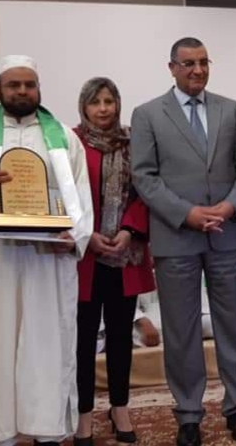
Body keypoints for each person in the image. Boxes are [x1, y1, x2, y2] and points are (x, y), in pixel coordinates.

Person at [0, 54, 93, 445]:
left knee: (47, 345)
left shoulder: (63, 138)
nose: (23, 91)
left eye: (30, 84)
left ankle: (47, 432)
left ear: (38, 88)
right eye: (14, 85)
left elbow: (81, 195)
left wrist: (76, 236)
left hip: (48, 262)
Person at [130, 37, 236, 446]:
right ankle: (188, 415)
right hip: (176, 236)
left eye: (203, 62)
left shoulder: (230, 109)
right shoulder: (148, 114)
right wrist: (187, 214)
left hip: (226, 234)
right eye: (188, 63)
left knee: (234, 327)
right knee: (181, 332)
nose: (197, 70)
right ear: (172, 68)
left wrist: (231, 206)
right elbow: (144, 176)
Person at [73, 77, 155, 444]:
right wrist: (87, 235)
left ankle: (120, 407)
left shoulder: (134, 142)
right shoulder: (71, 143)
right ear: (84, 107)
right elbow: (66, 195)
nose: (103, 108)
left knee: (121, 336)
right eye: (95, 102)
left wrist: (129, 231)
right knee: (84, 338)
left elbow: (145, 192)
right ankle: (84, 413)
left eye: (109, 101)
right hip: (85, 259)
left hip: (125, 255)